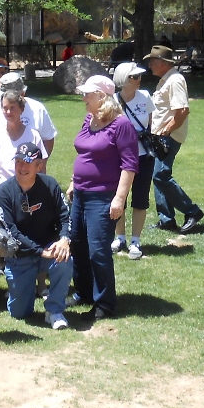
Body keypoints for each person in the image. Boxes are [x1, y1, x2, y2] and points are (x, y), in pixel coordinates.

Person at [69, 75, 137, 320]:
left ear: (102, 96)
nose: (83, 98)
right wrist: (73, 182)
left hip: (103, 196)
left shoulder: (121, 125)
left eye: (87, 94)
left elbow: (130, 165)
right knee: (78, 243)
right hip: (80, 193)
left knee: (98, 250)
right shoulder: (90, 119)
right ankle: (84, 292)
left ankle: (105, 304)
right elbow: (84, 153)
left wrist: (119, 199)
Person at [0, 142, 75, 330]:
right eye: (19, 161)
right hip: (19, 256)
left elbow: (65, 216)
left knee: (64, 259)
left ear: (39, 166)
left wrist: (64, 239)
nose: (22, 167)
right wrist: (39, 251)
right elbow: (11, 232)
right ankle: (20, 293)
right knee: (20, 313)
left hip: (49, 248)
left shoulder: (50, 185)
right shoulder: (3, 192)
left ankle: (54, 310)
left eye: (27, 163)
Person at [145, 45, 204, 233]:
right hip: (159, 136)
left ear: (162, 63)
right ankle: (167, 219)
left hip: (168, 137)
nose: (149, 65)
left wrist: (167, 130)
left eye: (152, 61)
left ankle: (192, 211)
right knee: (157, 176)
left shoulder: (175, 80)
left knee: (160, 175)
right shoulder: (165, 80)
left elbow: (183, 110)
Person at [0, 89, 48, 209]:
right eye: (5, 108)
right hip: (2, 197)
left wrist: (41, 191)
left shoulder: (33, 136)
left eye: (12, 108)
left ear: (21, 109)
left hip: (28, 196)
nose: (8, 112)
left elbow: (41, 167)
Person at [111, 62, 155, 260]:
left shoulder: (145, 96)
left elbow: (150, 124)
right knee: (119, 196)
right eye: (134, 77)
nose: (139, 79)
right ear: (123, 79)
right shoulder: (112, 101)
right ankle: (119, 237)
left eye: (139, 76)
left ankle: (135, 240)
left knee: (140, 198)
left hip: (143, 155)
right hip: (119, 157)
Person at [0, 72, 57, 161]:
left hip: (30, 167)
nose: (8, 110)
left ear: (22, 94)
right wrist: (6, 139)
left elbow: (48, 138)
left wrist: (40, 163)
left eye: (12, 100)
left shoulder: (38, 109)